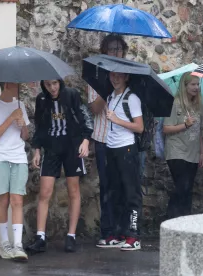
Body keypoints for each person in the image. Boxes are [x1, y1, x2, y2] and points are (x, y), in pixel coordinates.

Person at [27, 79, 92, 254]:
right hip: (52, 147)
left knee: (73, 190)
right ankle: (40, 236)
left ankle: (71, 235)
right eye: (48, 85)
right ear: (43, 85)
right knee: (45, 191)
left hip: (72, 146)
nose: (52, 88)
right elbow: (39, 127)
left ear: (60, 83)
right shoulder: (42, 100)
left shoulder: (71, 95)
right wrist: (37, 150)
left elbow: (85, 118)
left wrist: (85, 141)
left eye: (55, 83)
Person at [88, 34, 129, 248]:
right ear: (104, 51)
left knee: (123, 186)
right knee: (107, 186)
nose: (116, 52)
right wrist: (107, 87)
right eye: (112, 49)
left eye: (119, 49)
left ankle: (123, 232)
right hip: (103, 138)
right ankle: (107, 231)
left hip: (124, 140)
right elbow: (94, 109)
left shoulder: (128, 75)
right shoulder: (96, 76)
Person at [0, 82, 30, 261]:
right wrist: (11, 118)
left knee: (17, 200)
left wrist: (22, 125)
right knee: (3, 199)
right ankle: (4, 244)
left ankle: (18, 245)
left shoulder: (21, 105)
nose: (20, 86)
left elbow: (25, 136)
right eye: (16, 84)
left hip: (18, 157)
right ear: (7, 85)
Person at [104, 71, 144, 251]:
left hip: (127, 149)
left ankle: (133, 235)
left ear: (126, 77)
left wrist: (116, 119)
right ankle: (119, 233)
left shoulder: (132, 98)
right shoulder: (110, 97)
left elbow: (139, 127)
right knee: (116, 192)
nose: (115, 78)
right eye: (112, 75)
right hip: (112, 149)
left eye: (119, 75)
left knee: (131, 193)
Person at [163, 72, 203, 219]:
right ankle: (170, 220)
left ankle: (185, 222)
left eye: (198, 84)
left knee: (188, 190)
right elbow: (166, 129)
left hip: (193, 153)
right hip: (177, 151)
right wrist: (184, 125)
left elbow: (200, 131)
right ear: (185, 85)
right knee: (182, 186)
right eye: (193, 84)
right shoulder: (175, 104)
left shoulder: (198, 105)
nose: (196, 87)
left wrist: (201, 152)